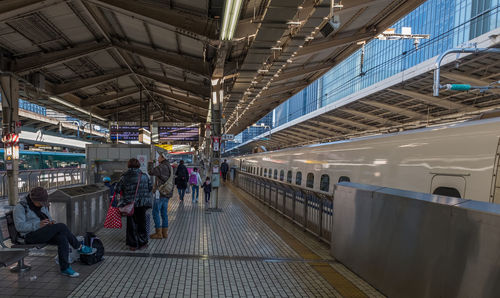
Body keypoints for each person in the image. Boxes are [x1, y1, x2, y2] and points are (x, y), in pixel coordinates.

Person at [13, 187, 93, 277]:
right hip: (29, 236)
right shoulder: (20, 207)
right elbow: (19, 227)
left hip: (43, 232)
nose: (42, 205)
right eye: (40, 203)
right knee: (61, 226)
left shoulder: (42, 206)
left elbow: (48, 218)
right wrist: (38, 225)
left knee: (62, 238)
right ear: (32, 199)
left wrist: (51, 222)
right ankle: (79, 246)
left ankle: (65, 268)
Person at [115, 158, 153, 251]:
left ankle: (133, 245)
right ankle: (143, 243)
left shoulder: (124, 177)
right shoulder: (144, 176)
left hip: (129, 204)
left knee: (131, 224)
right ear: (138, 165)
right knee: (142, 223)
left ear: (128, 165)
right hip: (142, 203)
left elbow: (117, 188)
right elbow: (150, 187)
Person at [148, 153, 171, 239]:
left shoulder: (162, 167)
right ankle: (165, 233)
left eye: (159, 157)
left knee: (155, 212)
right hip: (167, 193)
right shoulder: (169, 166)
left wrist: (150, 163)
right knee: (164, 213)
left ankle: (158, 233)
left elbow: (150, 172)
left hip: (161, 193)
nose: (158, 158)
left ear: (162, 158)